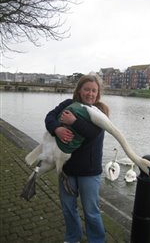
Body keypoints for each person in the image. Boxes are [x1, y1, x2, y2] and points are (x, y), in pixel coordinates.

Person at [45, 74, 109, 243]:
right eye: (87, 89)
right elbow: (49, 117)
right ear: (79, 90)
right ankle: (72, 238)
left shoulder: (100, 111)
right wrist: (57, 128)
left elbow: (92, 133)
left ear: (98, 93)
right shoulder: (68, 104)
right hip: (67, 169)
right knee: (68, 208)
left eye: (94, 90)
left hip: (89, 172)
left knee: (91, 212)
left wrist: (73, 121)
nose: (90, 93)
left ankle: (96, 240)